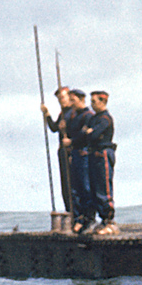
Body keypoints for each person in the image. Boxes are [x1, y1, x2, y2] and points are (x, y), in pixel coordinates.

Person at [54, 88, 93, 231]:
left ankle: (87, 218)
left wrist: (70, 139)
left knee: (85, 187)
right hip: (73, 153)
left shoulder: (85, 115)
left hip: (80, 153)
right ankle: (76, 217)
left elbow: (84, 133)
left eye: (72, 100)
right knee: (73, 187)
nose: (69, 102)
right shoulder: (70, 116)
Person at [84, 90, 119, 234]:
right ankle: (102, 219)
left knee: (104, 187)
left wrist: (90, 132)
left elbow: (94, 134)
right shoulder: (94, 118)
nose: (91, 105)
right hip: (94, 154)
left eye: (94, 101)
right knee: (95, 188)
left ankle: (109, 220)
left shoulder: (105, 118)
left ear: (103, 102)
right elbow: (86, 133)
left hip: (103, 154)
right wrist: (89, 132)